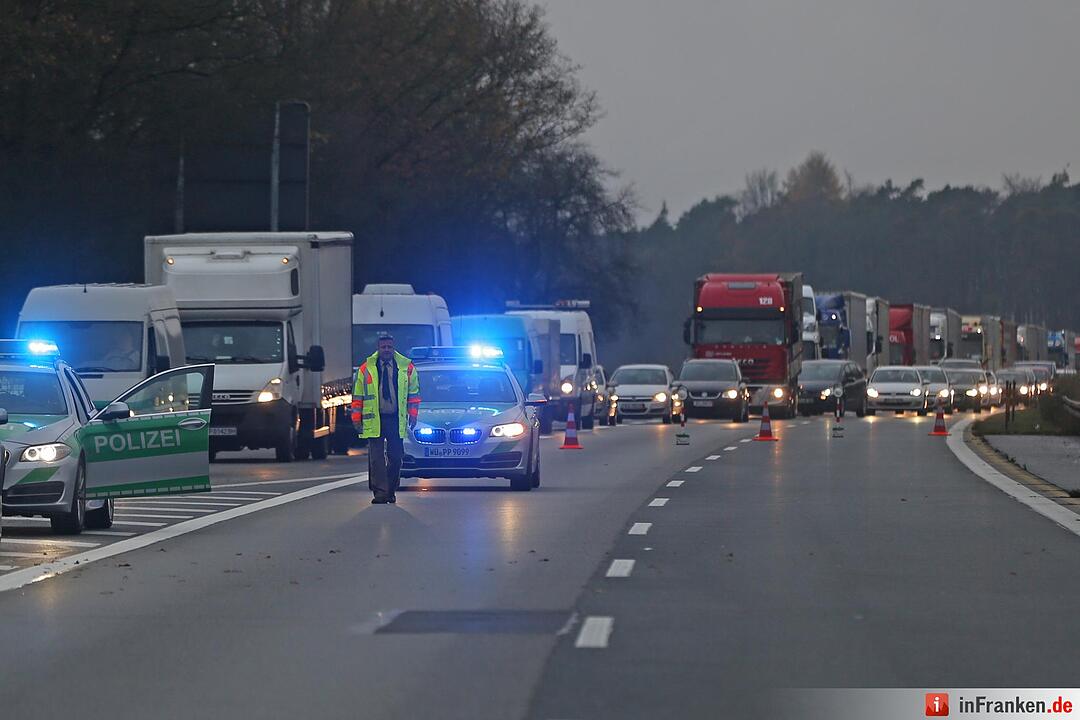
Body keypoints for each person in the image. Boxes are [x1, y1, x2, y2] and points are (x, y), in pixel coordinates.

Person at [351, 334, 421, 504]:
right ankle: (381, 493)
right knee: (376, 458)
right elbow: (357, 396)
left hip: (396, 418)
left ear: (393, 347)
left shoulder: (406, 368)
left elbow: (414, 394)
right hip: (375, 418)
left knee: (396, 456)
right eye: (383, 347)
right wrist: (356, 418)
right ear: (378, 348)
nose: (387, 350)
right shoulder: (365, 369)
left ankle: (390, 489)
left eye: (389, 347)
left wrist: (413, 414)